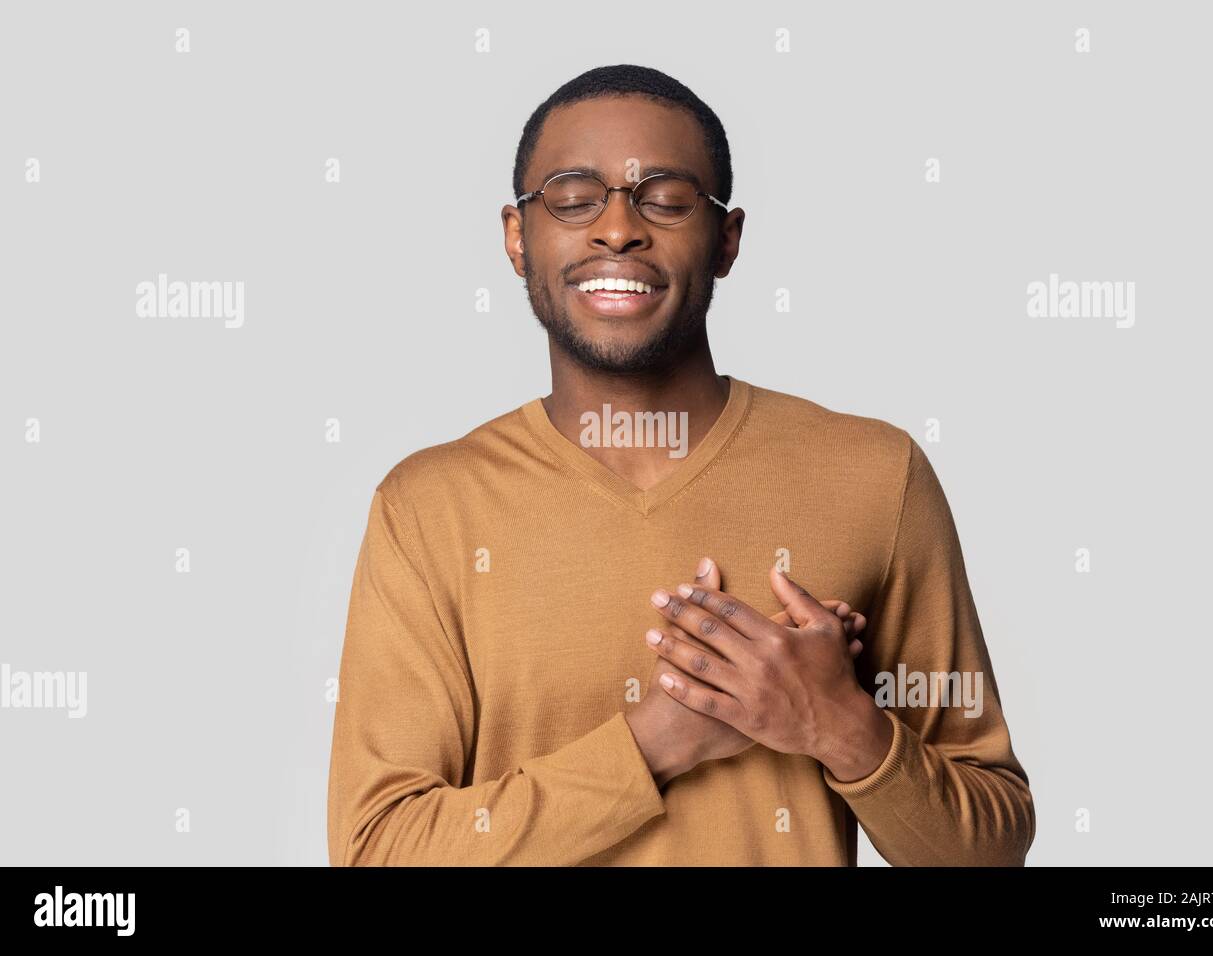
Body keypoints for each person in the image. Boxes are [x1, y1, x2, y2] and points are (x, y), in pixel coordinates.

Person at [326, 64, 1034, 866]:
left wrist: (835, 722)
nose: (618, 229)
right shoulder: (428, 508)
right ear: (516, 238)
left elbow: (989, 846)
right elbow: (377, 851)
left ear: (726, 240)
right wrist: (659, 742)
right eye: (572, 194)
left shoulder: (877, 475)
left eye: (664, 198)